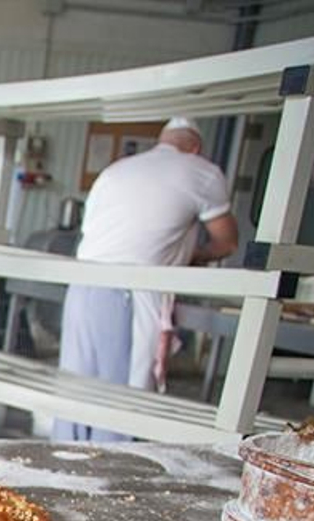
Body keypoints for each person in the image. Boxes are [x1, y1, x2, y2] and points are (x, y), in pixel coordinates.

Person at [54, 117, 239, 442]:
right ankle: (105, 486)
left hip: (81, 287)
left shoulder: (116, 170)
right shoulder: (201, 171)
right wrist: (194, 257)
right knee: (122, 405)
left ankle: (62, 478)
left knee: (75, 396)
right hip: (130, 294)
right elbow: (228, 242)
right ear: (196, 148)